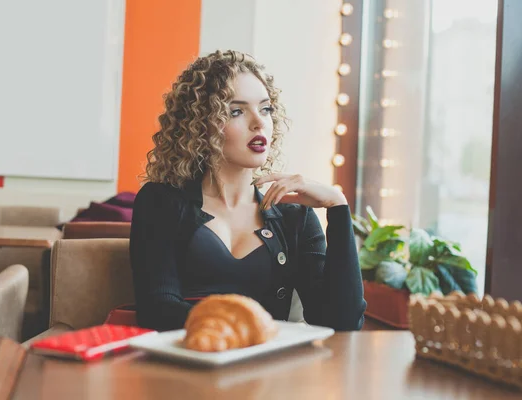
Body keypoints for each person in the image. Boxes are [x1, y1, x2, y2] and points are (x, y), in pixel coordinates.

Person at [130, 50, 366, 332]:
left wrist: (338, 207)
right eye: (236, 111)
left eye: (265, 109)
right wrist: (252, 330)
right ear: (199, 125)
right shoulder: (161, 202)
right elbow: (157, 309)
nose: (259, 123)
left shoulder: (295, 219)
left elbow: (342, 320)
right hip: (187, 365)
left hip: (265, 369)